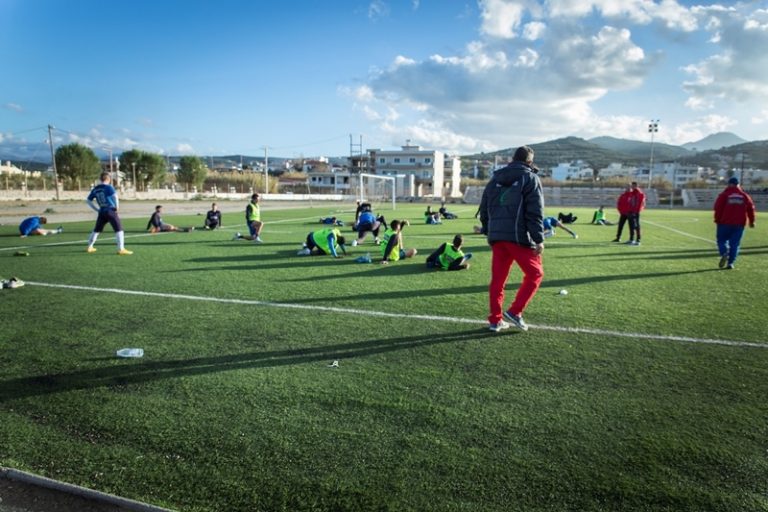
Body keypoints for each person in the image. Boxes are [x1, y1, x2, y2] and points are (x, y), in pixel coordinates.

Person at [479, 145, 544, 332]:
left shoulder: (495, 178)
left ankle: (495, 320)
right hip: (518, 236)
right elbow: (535, 211)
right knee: (535, 274)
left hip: (497, 236)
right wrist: (539, 238)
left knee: (498, 280)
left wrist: (487, 229)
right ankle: (515, 312)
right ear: (529, 162)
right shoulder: (530, 178)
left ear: (512, 159)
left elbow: (484, 207)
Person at [714, 177, 756, 270]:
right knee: (735, 244)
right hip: (739, 224)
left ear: (729, 184)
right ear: (738, 185)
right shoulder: (745, 196)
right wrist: (752, 221)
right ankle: (731, 263)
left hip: (724, 223)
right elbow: (751, 209)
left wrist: (717, 220)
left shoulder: (724, 195)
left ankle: (724, 253)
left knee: (721, 240)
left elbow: (718, 208)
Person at [86, 172, 132, 255]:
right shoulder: (108, 187)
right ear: (108, 179)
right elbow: (115, 196)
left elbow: (88, 200)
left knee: (96, 230)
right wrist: (117, 207)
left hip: (102, 211)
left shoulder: (96, 188)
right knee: (119, 229)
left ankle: (90, 246)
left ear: (101, 179)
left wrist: (96, 209)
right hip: (110, 210)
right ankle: (121, 249)